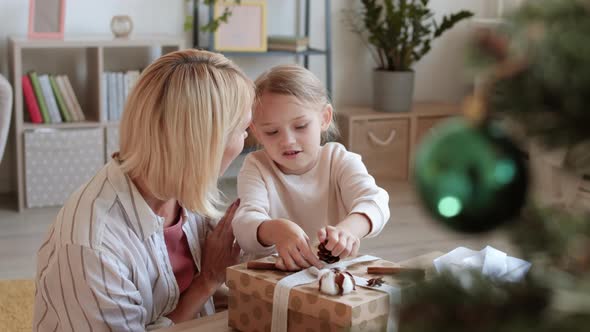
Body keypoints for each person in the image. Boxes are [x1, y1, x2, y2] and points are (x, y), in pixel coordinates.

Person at [32, 49, 254, 331]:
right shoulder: (93, 248)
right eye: (242, 129)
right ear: (204, 144)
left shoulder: (181, 188)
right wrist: (206, 281)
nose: (246, 140)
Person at [233, 64, 390, 271]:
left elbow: (375, 201)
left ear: (324, 118)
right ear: (257, 132)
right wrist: (276, 230)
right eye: (272, 132)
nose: (288, 141)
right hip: (272, 277)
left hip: (329, 274)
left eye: (300, 126)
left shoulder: (339, 160)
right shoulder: (257, 166)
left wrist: (349, 230)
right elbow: (244, 225)